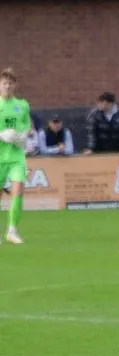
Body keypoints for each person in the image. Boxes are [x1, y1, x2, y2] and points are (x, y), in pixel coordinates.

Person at [0, 68, 29, 244]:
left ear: (15, 86)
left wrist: (22, 137)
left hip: (17, 157)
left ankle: (12, 230)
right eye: (4, 83)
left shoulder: (23, 105)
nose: (7, 86)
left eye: (10, 83)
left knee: (18, 191)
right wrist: (1, 135)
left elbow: (26, 126)